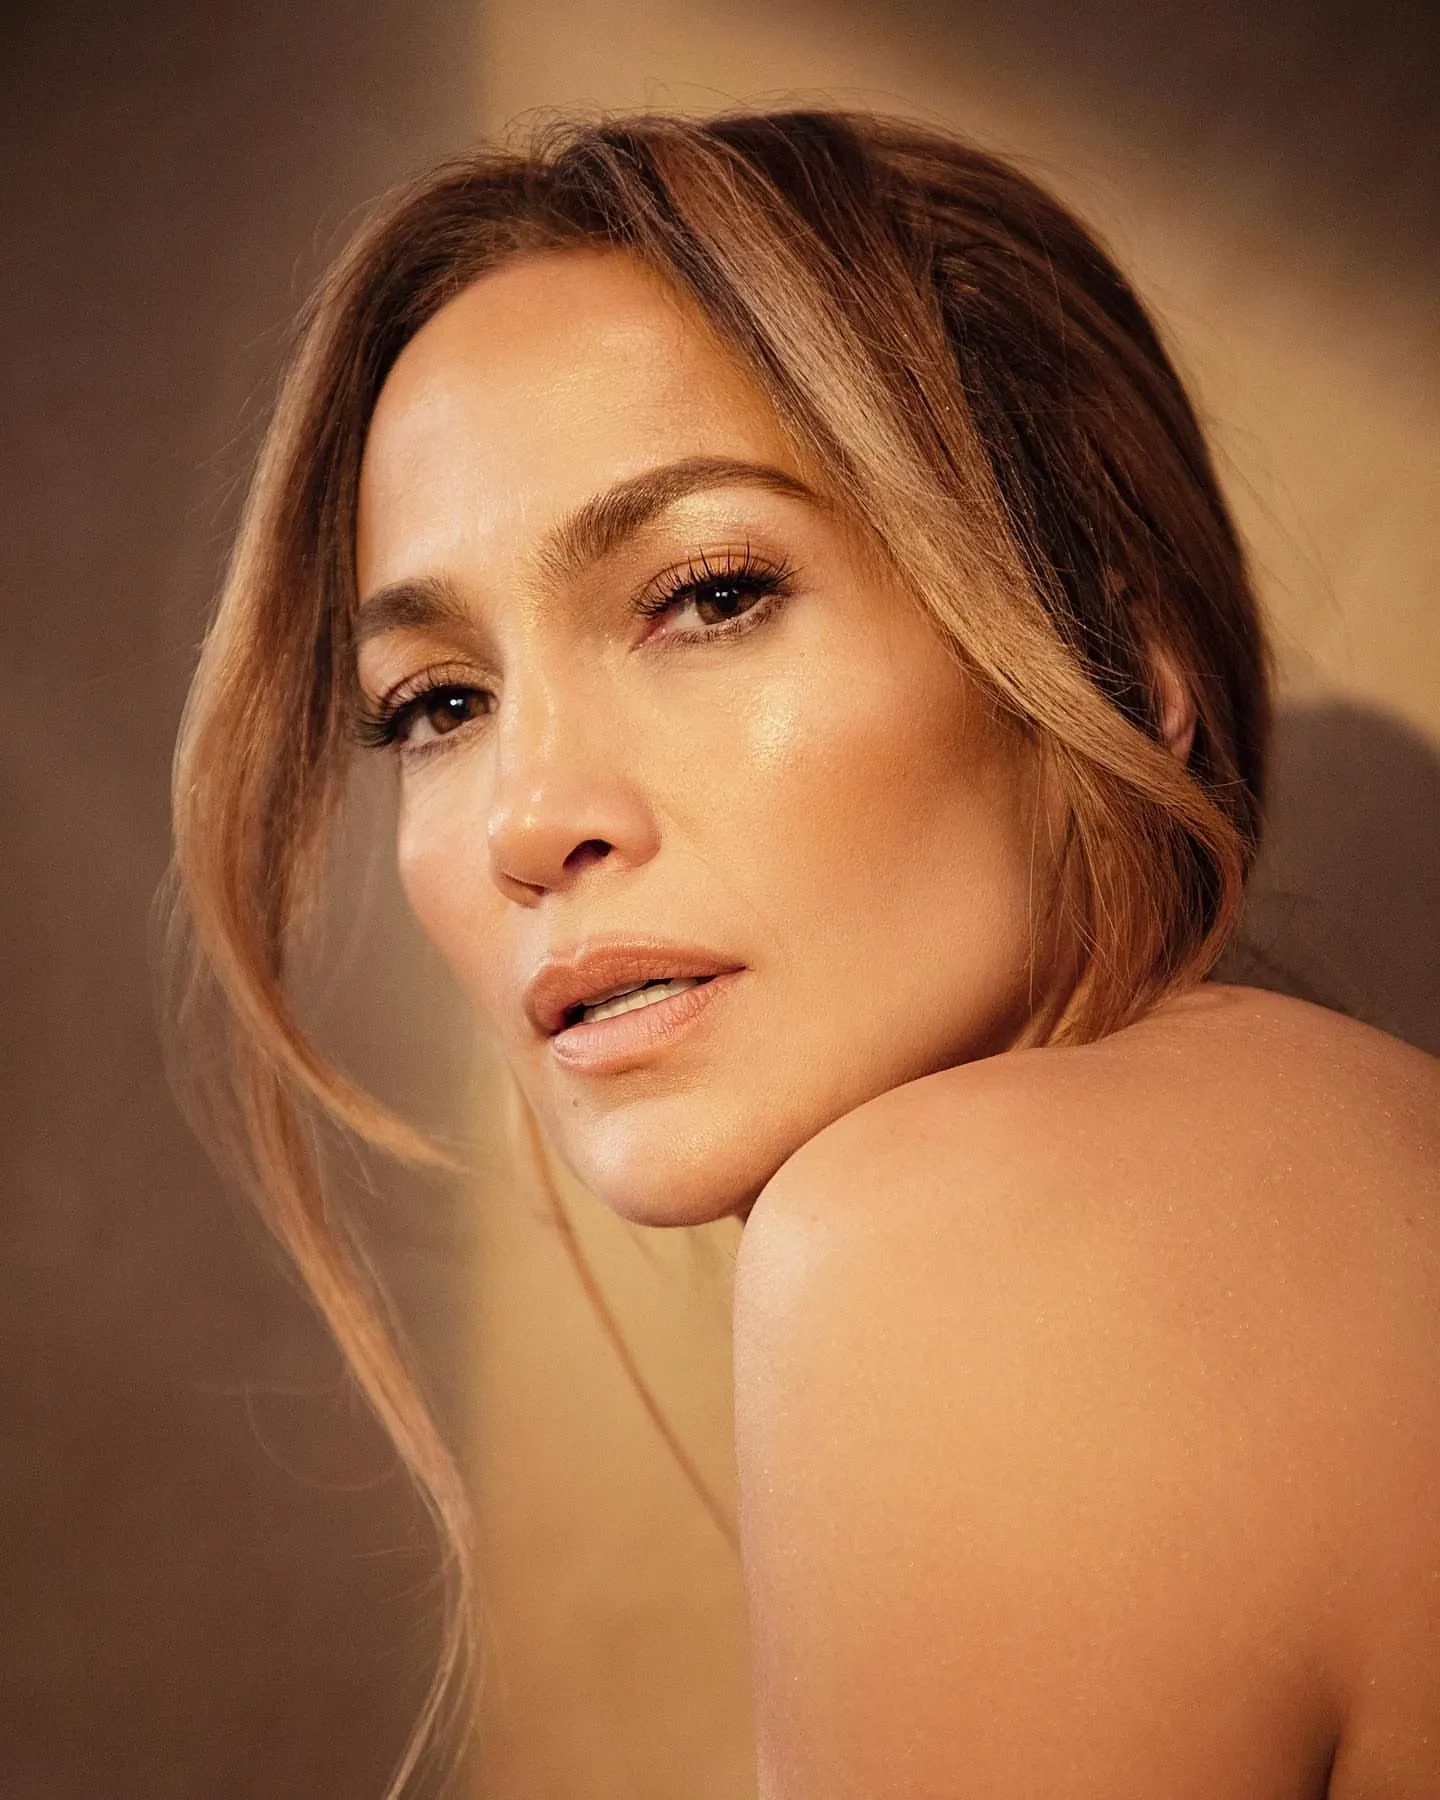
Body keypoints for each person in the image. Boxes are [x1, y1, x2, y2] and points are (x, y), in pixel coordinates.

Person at [171, 109, 1440, 1797]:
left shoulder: (970, 1230)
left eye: (709, 595)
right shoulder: (1350, 1167)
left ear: (1121, 663)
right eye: (436, 704)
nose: (527, 820)